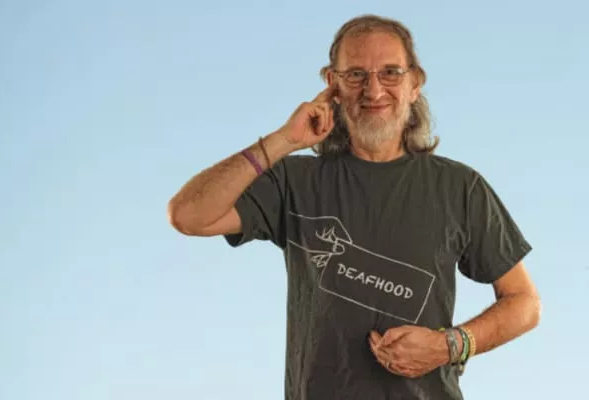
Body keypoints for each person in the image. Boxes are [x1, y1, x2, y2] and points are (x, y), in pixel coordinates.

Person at [166, 14, 541, 400]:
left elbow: (524, 303)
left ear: (415, 83)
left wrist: (450, 345)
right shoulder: (294, 182)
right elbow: (188, 215)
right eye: (356, 75)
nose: (374, 90)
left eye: (390, 73)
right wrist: (283, 140)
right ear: (333, 85)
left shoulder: (460, 187)